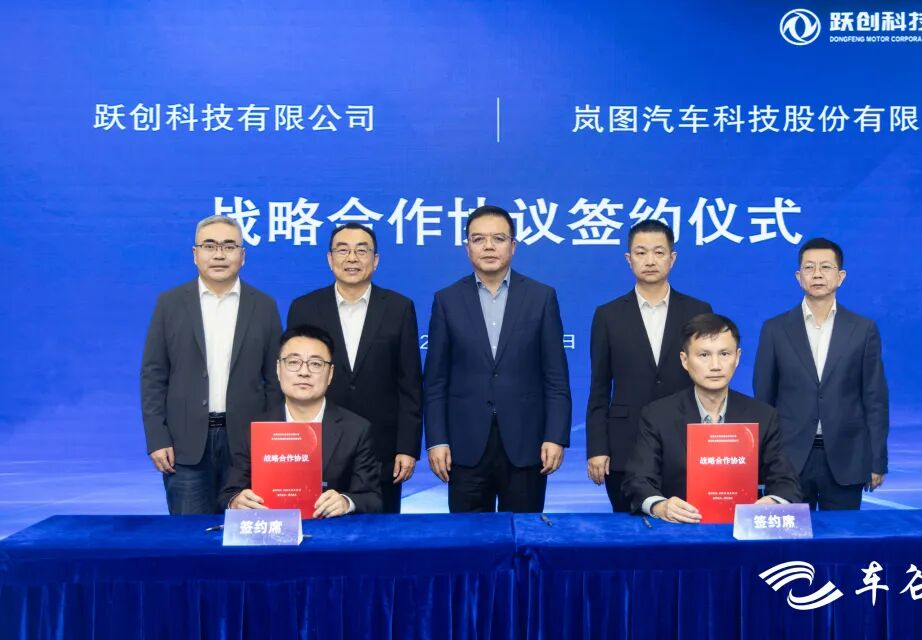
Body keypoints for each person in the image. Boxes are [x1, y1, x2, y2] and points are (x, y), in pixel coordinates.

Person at [424, 205, 571, 513]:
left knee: (523, 534)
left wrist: (555, 436)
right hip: (464, 447)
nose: (488, 246)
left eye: (498, 238)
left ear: (513, 246)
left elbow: (555, 377)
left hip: (527, 445)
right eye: (478, 239)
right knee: (469, 538)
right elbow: (435, 381)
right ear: (467, 248)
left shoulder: (541, 297)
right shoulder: (447, 300)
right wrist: (437, 440)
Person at [141, 215, 282, 514]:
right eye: (209, 246)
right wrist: (157, 437)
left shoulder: (264, 306)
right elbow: (153, 375)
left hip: (247, 445)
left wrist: (272, 441)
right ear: (195, 254)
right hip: (184, 446)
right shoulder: (170, 304)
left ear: (242, 255)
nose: (219, 254)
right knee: (190, 537)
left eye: (229, 246)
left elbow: (275, 380)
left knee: (247, 533)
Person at [287, 222, 422, 514]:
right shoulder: (304, 307)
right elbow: (293, 380)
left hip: (382, 449)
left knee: (381, 532)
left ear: (375, 260)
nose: (352, 258)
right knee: (316, 530)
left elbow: (409, 383)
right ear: (329, 259)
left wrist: (407, 447)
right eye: (343, 250)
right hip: (317, 445)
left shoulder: (399, 308)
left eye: (361, 251)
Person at [623, 313, 801, 522]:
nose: (715, 365)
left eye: (724, 354)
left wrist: (773, 502)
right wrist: (660, 506)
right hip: (680, 528)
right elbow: (638, 479)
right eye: (704, 355)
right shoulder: (658, 415)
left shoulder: (762, 415)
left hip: (742, 526)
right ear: (685, 360)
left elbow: (786, 482)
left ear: (737, 357)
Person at [753, 237, 889, 511]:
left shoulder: (862, 329)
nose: (817, 274)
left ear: (840, 276)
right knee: (790, 536)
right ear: (798, 277)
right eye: (809, 267)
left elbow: (875, 399)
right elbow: (764, 399)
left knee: (842, 536)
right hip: (789, 458)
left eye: (826, 267)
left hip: (846, 457)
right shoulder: (775, 329)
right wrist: (762, 462)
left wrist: (877, 460)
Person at [586, 220, 712, 512]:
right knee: (628, 531)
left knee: (687, 527)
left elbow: (709, 382)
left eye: (658, 252)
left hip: (686, 443)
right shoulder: (608, 315)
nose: (650, 261)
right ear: (629, 259)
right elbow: (599, 387)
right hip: (625, 446)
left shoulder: (698, 311)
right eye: (641, 253)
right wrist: (597, 448)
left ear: (672, 258)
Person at [220, 325, 381, 516]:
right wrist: (236, 502)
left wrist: (346, 502)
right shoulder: (254, 429)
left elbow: (372, 499)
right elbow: (227, 494)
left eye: (315, 364)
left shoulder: (356, 430)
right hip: (271, 529)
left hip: (330, 531)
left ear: (330, 374)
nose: (304, 372)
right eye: (293, 362)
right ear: (278, 369)